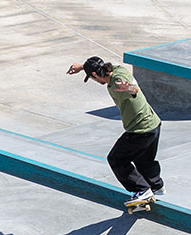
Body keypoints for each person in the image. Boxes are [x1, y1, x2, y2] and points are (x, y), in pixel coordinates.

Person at [67, 56, 164, 208]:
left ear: (94, 75)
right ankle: (156, 186)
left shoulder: (117, 82)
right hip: (154, 124)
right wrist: (81, 67)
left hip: (140, 130)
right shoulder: (117, 68)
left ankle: (142, 190)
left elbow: (133, 90)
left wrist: (129, 88)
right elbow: (99, 63)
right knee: (143, 159)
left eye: (92, 78)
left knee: (117, 159)